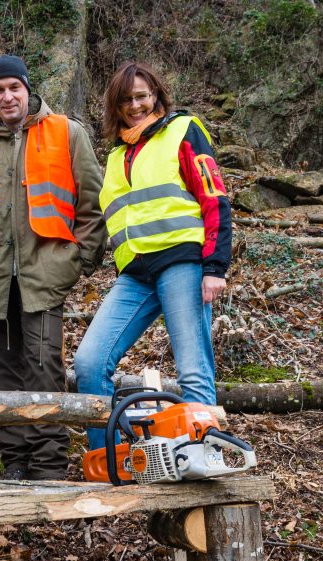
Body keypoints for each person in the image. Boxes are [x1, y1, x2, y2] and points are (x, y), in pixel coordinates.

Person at [0, 55, 105, 480]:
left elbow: (93, 206)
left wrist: (78, 263)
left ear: (27, 89)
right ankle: (16, 461)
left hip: (46, 275)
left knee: (44, 368)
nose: (7, 96)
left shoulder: (67, 133)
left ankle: (48, 463)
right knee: (1, 373)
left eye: (13, 88)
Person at [72, 61, 232, 448]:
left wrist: (215, 266)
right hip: (134, 274)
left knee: (193, 371)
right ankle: (105, 457)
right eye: (126, 99)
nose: (135, 105)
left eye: (141, 96)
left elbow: (214, 197)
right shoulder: (114, 155)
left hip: (183, 264)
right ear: (116, 106)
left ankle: (203, 457)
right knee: (89, 364)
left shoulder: (182, 131)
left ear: (156, 95)